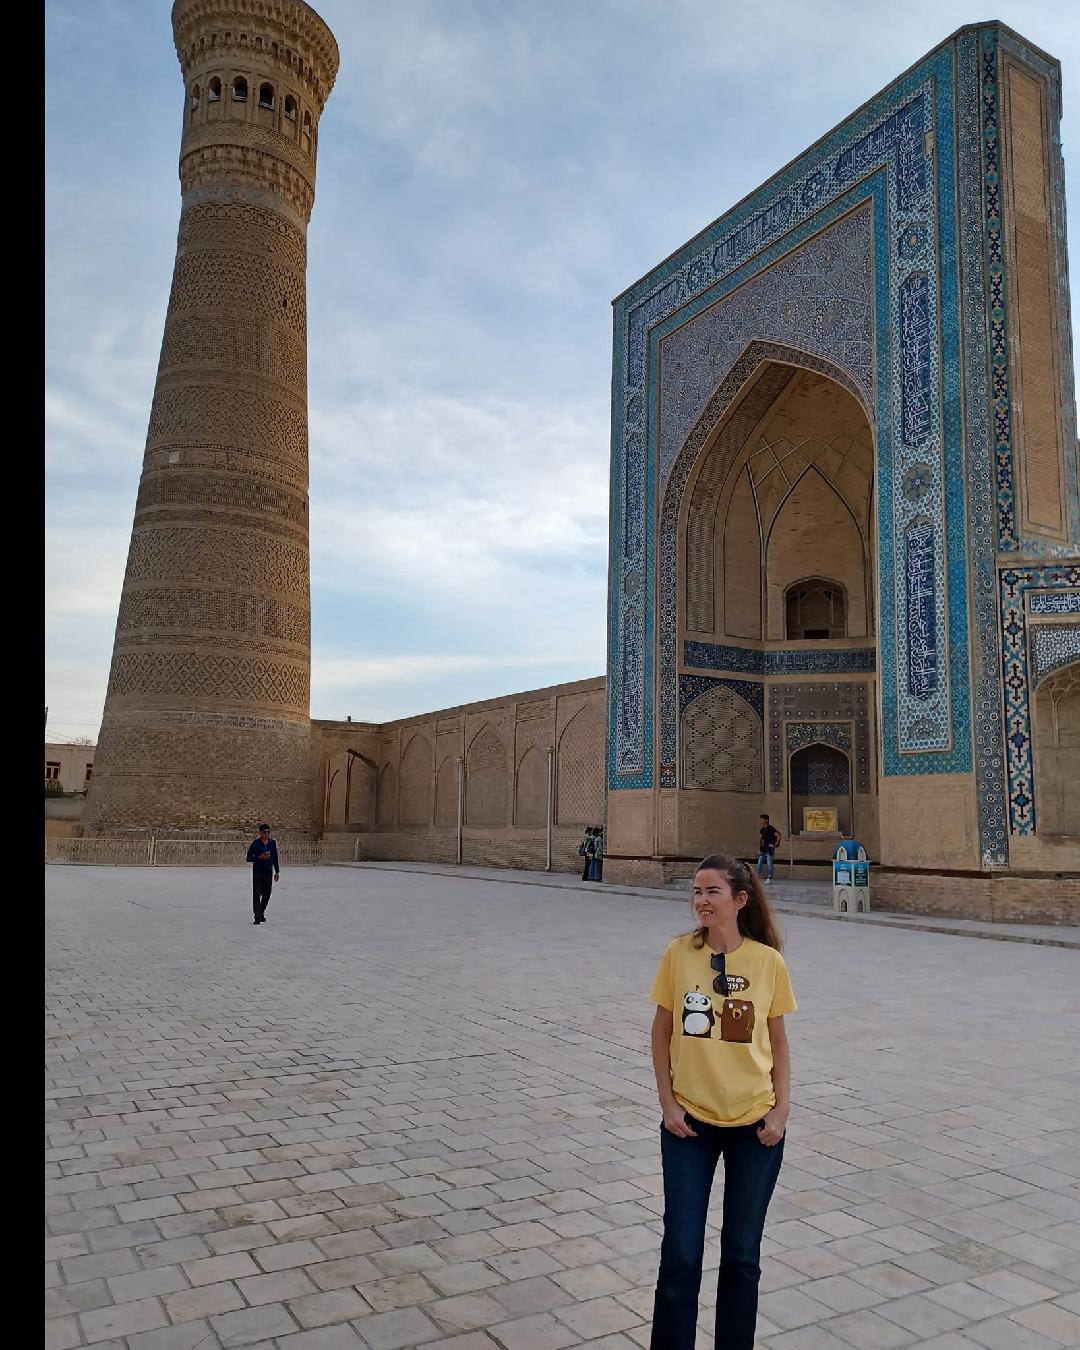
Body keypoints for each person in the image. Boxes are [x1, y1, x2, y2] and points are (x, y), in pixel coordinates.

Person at [648, 854, 796, 1350]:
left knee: (741, 1255)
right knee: (682, 1252)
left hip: (756, 1127)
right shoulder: (679, 954)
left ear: (739, 899)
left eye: (711, 892)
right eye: (696, 892)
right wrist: (669, 1105)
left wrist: (781, 1110)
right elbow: (662, 1031)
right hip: (689, 1123)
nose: (701, 901)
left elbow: (777, 1041)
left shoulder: (767, 962)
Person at [245, 824, 280, 924]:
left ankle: (261, 912)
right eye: (264, 832)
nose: (267, 834)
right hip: (258, 873)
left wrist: (277, 871)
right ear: (260, 832)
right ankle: (257, 916)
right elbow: (248, 858)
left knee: (267, 895)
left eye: (268, 832)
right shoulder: (255, 844)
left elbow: (275, 858)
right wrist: (259, 857)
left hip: (268, 873)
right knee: (256, 895)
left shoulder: (272, 843)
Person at [756, 814, 781, 884]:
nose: (761, 820)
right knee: (759, 863)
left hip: (770, 849)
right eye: (761, 819)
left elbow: (778, 835)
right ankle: (757, 877)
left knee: (770, 863)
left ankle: (769, 878)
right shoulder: (762, 830)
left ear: (766, 820)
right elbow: (761, 839)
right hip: (763, 849)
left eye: (762, 819)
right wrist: (760, 847)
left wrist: (774, 844)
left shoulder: (771, 829)